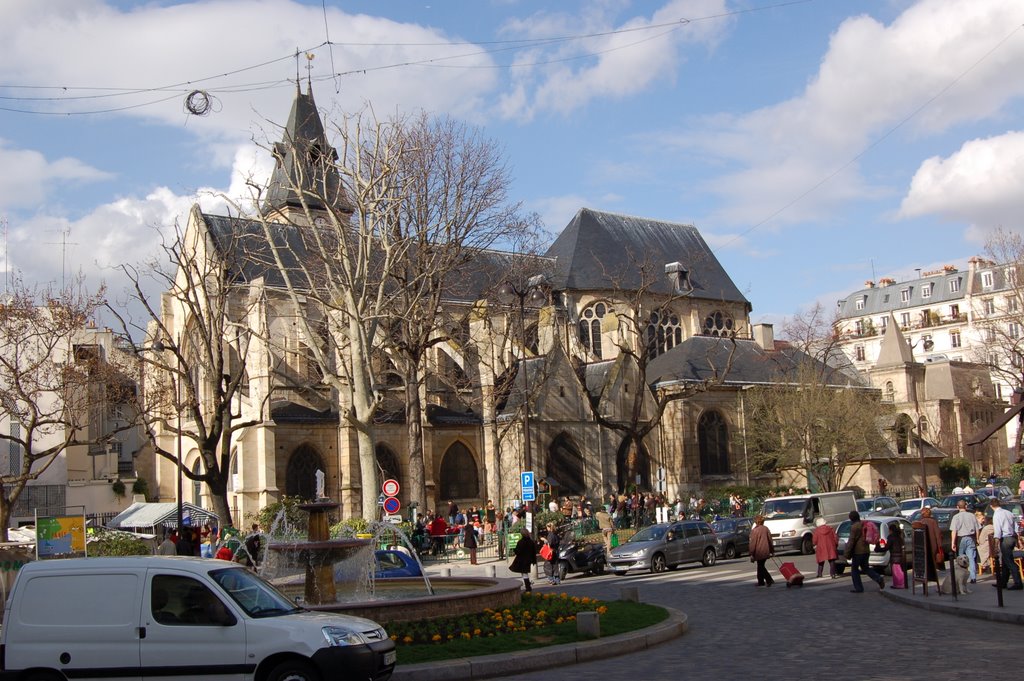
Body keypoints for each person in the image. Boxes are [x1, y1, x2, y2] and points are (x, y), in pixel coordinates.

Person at [844, 511, 884, 593]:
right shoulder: (864, 524)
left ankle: (858, 588)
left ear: (851, 518)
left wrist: (847, 553)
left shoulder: (854, 527)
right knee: (865, 568)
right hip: (866, 550)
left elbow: (851, 541)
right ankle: (878, 578)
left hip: (858, 552)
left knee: (854, 570)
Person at [990, 498, 1022, 590]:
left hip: (1006, 539)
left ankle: (1018, 582)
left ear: (991, 506)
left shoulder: (996, 515)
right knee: (1005, 561)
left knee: (1009, 561)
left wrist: (996, 545)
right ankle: (1003, 582)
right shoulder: (1008, 512)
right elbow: (1016, 527)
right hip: (1012, 538)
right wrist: (1018, 540)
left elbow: (997, 531)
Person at [949, 499, 981, 584]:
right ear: (966, 506)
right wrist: (977, 538)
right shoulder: (972, 515)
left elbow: (954, 531)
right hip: (971, 537)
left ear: (957, 507)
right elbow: (977, 528)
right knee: (971, 558)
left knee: (961, 559)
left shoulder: (956, 517)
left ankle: (961, 577)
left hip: (961, 538)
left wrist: (953, 543)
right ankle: (973, 577)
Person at [918, 507, 943, 582]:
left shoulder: (920, 522)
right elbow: (937, 534)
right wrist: (940, 545)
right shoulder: (933, 521)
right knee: (932, 560)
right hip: (933, 544)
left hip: (922, 545)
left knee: (925, 560)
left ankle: (926, 575)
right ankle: (932, 575)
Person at [748, 515, 774, 587]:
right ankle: (761, 581)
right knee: (760, 565)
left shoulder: (754, 530)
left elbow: (753, 543)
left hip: (759, 552)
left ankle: (768, 579)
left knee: (761, 566)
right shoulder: (766, 529)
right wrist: (772, 550)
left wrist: (751, 553)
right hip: (766, 550)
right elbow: (770, 540)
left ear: (756, 522)